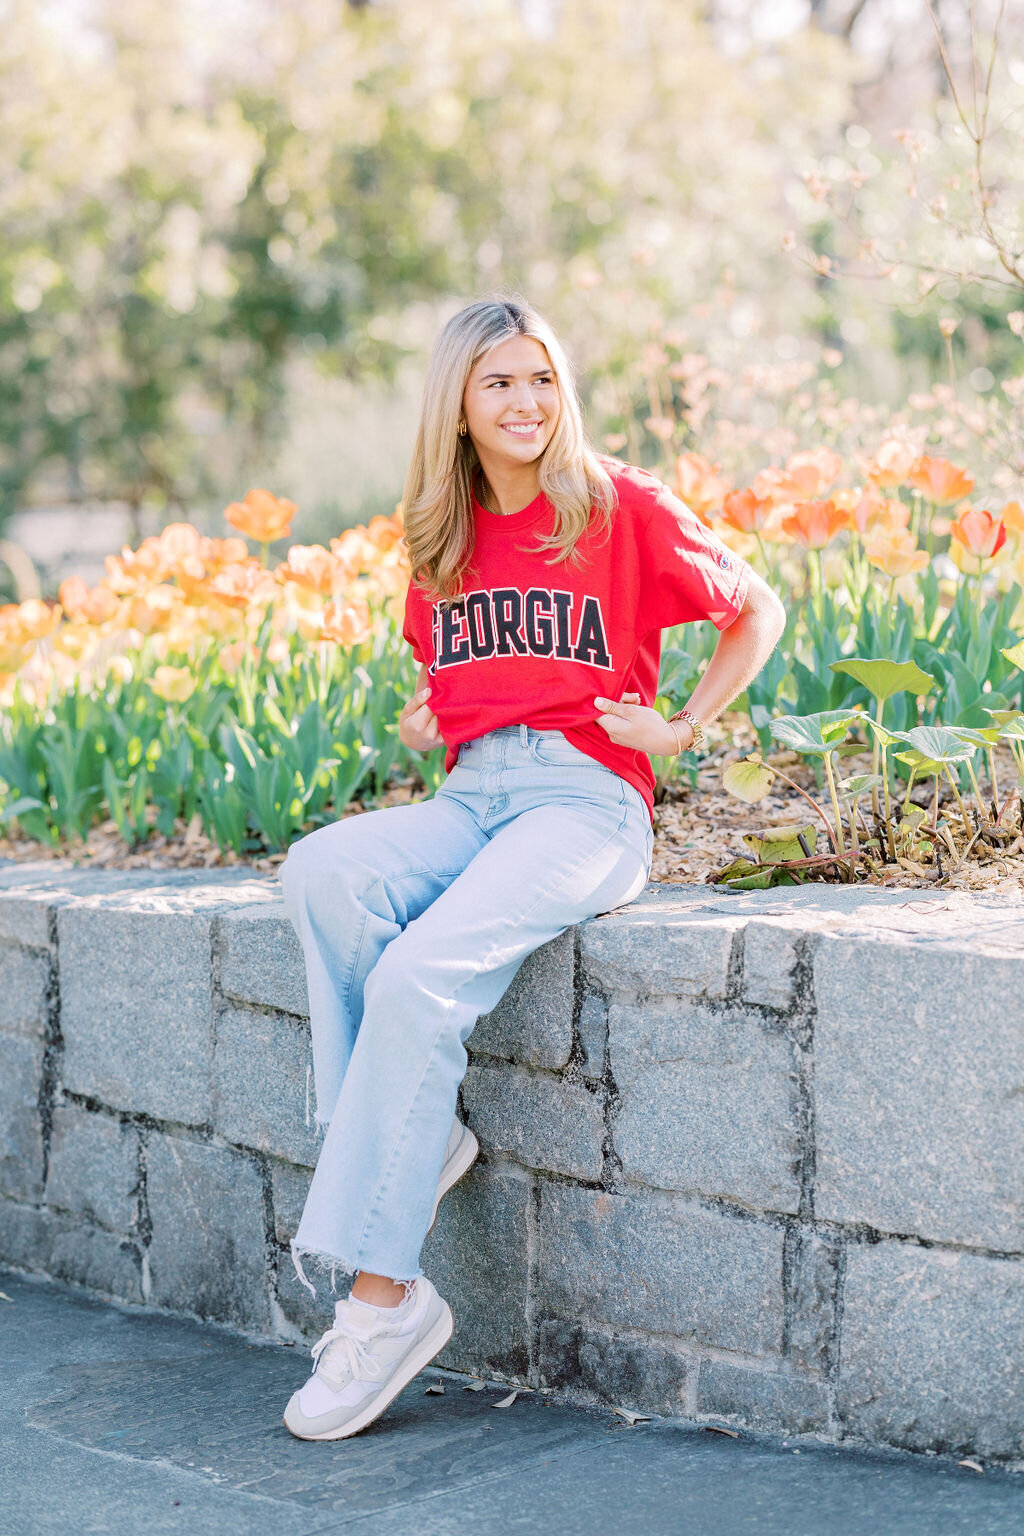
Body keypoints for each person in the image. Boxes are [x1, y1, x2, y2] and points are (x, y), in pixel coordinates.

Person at [278, 294, 785, 1441]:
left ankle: (383, 1301)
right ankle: (421, 1131)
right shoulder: (439, 536)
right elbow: (462, 674)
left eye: (541, 378)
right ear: (456, 402)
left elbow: (758, 607)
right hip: (473, 794)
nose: (525, 402)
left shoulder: (617, 505)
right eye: (499, 382)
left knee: (416, 982)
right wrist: (432, 716)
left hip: (586, 802)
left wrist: (683, 723)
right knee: (320, 872)